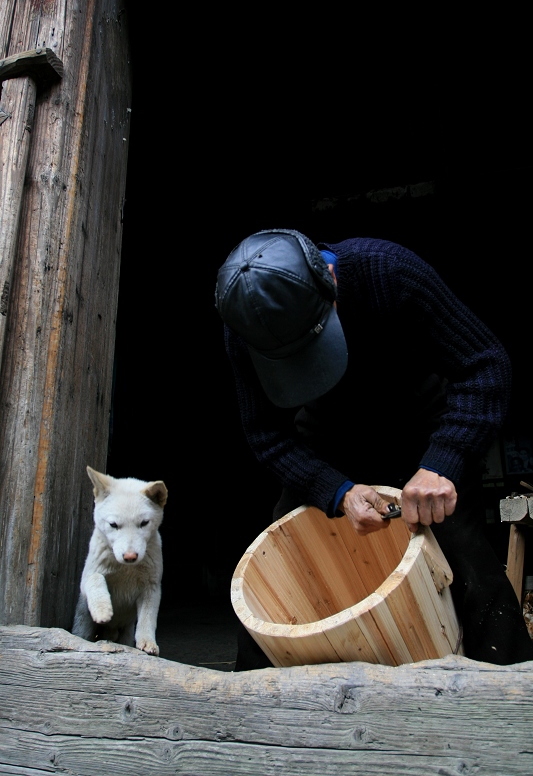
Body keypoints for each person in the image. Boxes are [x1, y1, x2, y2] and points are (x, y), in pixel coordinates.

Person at [215, 228, 533, 668]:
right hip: (326, 443)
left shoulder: (389, 272)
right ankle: (252, 714)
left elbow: (485, 366)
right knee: (280, 565)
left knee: (465, 562)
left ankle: (512, 697)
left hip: (422, 429)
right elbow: (266, 436)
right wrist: (335, 490)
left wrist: (443, 462)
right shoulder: (244, 328)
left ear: (330, 281)